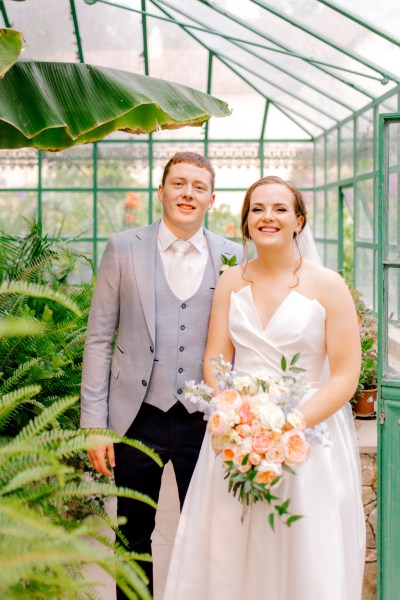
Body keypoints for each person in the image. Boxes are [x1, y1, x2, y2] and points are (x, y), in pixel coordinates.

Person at [163, 175, 366, 600]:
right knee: (229, 546)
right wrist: (234, 418)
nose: (267, 217)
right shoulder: (231, 282)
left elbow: (346, 377)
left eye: (279, 209)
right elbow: (215, 362)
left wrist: (285, 427)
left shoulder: (329, 285)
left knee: (303, 547)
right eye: (257, 209)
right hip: (236, 435)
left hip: (309, 438)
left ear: (299, 221)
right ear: (245, 221)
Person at [80, 151, 244, 597]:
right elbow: (98, 338)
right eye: (179, 183)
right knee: (132, 538)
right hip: (136, 416)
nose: (188, 193)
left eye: (198, 186)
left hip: (205, 420)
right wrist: (93, 424)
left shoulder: (234, 256)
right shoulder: (123, 247)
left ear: (212, 199)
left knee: (209, 537)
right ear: (161, 191)